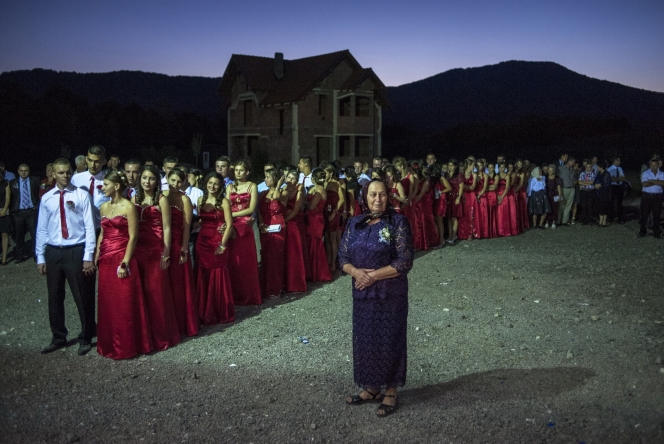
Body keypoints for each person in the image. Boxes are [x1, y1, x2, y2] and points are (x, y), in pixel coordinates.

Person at [338, 179, 414, 417]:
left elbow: (404, 261)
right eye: (373, 195)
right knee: (366, 339)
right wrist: (356, 272)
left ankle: (390, 390)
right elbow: (342, 257)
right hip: (362, 293)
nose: (378, 199)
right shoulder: (354, 223)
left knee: (389, 339)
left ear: (388, 197)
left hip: (390, 293)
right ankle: (371, 388)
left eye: (382, 194)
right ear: (365, 196)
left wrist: (373, 276)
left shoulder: (398, 223)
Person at [35, 158, 96, 355]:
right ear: (53, 174)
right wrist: (41, 256)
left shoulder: (81, 195)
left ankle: (86, 336)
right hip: (54, 251)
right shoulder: (47, 198)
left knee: (82, 296)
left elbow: (89, 227)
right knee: (54, 296)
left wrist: (88, 255)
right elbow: (42, 229)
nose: (65, 176)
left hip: (75, 249)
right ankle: (58, 336)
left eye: (68, 172)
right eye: (61, 173)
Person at [95, 171, 152, 359]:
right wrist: (97, 252)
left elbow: (133, 236)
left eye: (105, 184)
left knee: (124, 302)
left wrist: (125, 261)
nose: (102, 188)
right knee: (108, 303)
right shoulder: (103, 207)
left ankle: (127, 345)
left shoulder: (128, 206)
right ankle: (109, 344)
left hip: (122, 257)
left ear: (116, 186)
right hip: (105, 258)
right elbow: (103, 233)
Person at [133, 164, 181, 350]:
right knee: (141, 293)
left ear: (157, 181)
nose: (147, 181)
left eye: (151, 178)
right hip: (138, 249)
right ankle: (143, 337)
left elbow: (167, 227)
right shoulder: (134, 197)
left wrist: (166, 253)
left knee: (156, 293)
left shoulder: (161, 199)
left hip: (155, 250)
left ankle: (161, 336)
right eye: (144, 178)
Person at [196, 172, 235, 325]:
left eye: (216, 183)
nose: (212, 186)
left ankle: (220, 311)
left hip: (217, 241)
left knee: (218, 274)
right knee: (203, 274)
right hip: (202, 241)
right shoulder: (201, 200)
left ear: (220, 185)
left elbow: (230, 224)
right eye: (210, 183)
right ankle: (204, 312)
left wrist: (222, 244)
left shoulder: (224, 202)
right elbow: (201, 219)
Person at [166, 168, 198, 337]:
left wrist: (184, 248)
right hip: (164, 243)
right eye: (173, 180)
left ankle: (183, 323)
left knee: (180, 285)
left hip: (178, 243)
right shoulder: (162, 196)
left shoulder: (184, 199)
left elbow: (187, 226)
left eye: (179, 181)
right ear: (167, 178)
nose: (175, 184)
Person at [226, 160, 262, 305]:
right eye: (236, 170)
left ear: (247, 172)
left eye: (241, 170)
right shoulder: (230, 186)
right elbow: (226, 204)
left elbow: (251, 208)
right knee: (234, 260)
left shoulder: (252, 186)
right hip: (232, 225)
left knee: (246, 260)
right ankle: (235, 295)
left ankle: (249, 295)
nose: (238, 173)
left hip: (244, 225)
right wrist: (230, 217)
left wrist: (232, 215)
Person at [258, 168, 288, 298]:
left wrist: (279, 185)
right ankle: (265, 287)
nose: (265, 179)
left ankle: (276, 288)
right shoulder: (264, 193)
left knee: (276, 257)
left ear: (275, 179)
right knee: (266, 256)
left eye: (268, 177)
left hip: (278, 227)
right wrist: (260, 223)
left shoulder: (283, 192)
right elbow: (258, 210)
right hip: (265, 227)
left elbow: (276, 197)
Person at [71, 145, 110, 234]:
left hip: (100, 229)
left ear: (104, 161)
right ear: (86, 159)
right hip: (80, 228)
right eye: (90, 160)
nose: (92, 165)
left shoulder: (109, 180)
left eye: (96, 162)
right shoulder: (76, 179)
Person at [283, 169, 308, 293]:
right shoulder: (283, 189)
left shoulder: (300, 189)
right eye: (288, 177)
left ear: (297, 180)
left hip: (294, 221)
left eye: (293, 178)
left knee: (294, 251)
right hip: (284, 221)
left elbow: (296, 209)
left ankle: (296, 282)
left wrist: (285, 220)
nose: (290, 180)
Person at [305, 168, 332, 282]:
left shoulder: (319, 190)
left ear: (314, 178)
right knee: (311, 243)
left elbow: (311, 206)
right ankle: (312, 271)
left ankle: (318, 273)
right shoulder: (317, 189)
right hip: (312, 219)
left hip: (315, 220)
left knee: (315, 244)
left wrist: (302, 202)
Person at [10, 163, 40, 263]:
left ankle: (36, 255)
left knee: (34, 234)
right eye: (21, 171)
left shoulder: (35, 181)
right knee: (19, 235)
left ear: (29, 171)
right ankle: (20, 255)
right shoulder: (13, 183)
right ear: (18, 171)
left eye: (26, 170)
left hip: (31, 211)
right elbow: (10, 198)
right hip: (19, 212)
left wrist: (37, 206)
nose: (23, 173)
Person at [323, 164, 345, 273]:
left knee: (332, 238)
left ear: (330, 173)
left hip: (333, 212)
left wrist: (335, 212)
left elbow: (341, 199)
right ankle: (327, 261)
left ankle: (333, 262)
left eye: (325, 173)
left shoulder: (337, 184)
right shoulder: (324, 183)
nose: (324, 175)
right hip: (324, 212)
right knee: (326, 238)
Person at [639, 158, 664, 238]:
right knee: (644, 214)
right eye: (652, 165)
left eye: (655, 165)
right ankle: (642, 231)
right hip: (646, 196)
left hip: (658, 196)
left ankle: (656, 232)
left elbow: (663, 183)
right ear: (649, 165)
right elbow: (644, 184)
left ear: (658, 165)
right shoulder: (645, 173)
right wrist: (657, 182)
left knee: (656, 215)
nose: (653, 167)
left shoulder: (662, 174)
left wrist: (652, 180)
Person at [446, 159, 464, 243]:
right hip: (448, 197)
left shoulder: (459, 175)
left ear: (455, 166)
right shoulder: (447, 175)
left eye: (452, 165)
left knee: (454, 217)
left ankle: (454, 235)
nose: (450, 167)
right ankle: (450, 235)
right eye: (449, 165)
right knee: (449, 217)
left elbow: (461, 187)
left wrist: (458, 197)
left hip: (455, 196)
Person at [556, 157, 576, 226]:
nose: (574, 163)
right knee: (561, 205)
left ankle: (564, 221)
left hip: (571, 189)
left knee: (568, 206)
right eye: (573, 162)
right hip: (563, 188)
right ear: (569, 161)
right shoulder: (561, 168)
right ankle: (558, 220)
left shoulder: (572, 170)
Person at [607, 157, 626, 223]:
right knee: (612, 202)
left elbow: (623, 178)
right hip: (613, 186)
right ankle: (611, 217)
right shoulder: (609, 169)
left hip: (620, 186)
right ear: (615, 161)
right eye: (618, 161)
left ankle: (620, 218)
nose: (620, 162)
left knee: (619, 202)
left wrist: (617, 178)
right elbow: (612, 179)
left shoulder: (620, 168)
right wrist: (619, 178)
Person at [594, 161, 612, 227]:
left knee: (604, 206)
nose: (597, 167)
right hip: (599, 192)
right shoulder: (598, 173)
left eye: (598, 166)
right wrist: (595, 184)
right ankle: (600, 220)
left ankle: (604, 221)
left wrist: (599, 185)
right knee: (600, 206)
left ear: (601, 167)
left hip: (605, 193)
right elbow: (596, 180)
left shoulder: (606, 173)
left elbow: (606, 183)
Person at [577, 160, 596, 225]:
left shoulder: (593, 174)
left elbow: (592, 182)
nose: (588, 168)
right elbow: (579, 182)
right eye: (587, 167)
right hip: (583, 191)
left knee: (590, 205)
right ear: (585, 167)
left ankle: (590, 219)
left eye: (590, 167)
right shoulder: (582, 173)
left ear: (591, 167)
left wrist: (584, 182)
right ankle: (584, 219)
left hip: (590, 191)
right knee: (583, 205)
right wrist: (587, 183)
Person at [545, 164, 563, 229]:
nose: (550, 172)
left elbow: (558, 187)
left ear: (554, 171)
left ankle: (553, 222)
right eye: (549, 170)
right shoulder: (545, 177)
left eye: (551, 170)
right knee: (547, 209)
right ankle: (547, 222)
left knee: (555, 209)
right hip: (546, 195)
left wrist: (560, 195)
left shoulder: (557, 178)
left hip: (554, 195)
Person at [0, 169, 10, 265]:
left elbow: (7, 197)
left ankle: (4, 258)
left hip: (3, 210)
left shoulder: (5, 184)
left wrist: (4, 209)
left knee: (4, 234)